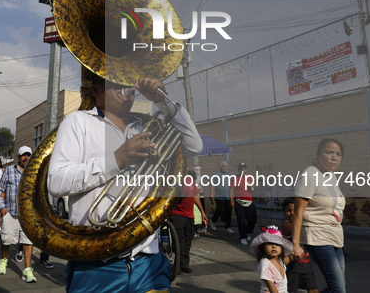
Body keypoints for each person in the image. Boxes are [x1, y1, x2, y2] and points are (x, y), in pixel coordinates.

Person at [48, 76, 203, 293]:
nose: (126, 88)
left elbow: (195, 145)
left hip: (148, 261)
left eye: (128, 81)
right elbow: (55, 182)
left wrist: (163, 101)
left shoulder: (146, 125)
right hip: (96, 264)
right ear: (95, 89)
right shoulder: (77, 122)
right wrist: (117, 159)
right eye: (115, 82)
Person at [292, 139, 346, 293]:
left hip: (335, 236)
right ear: (318, 153)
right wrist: (295, 245)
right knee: (338, 289)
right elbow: (298, 212)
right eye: (329, 152)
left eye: (338, 154)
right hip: (317, 235)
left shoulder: (331, 176)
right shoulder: (310, 175)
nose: (334, 157)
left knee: (337, 287)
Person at [0, 146, 41, 282]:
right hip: (11, 211)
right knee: (6, 239)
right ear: (18, 157)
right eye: (23, 155)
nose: (26, 158)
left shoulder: (35, 171)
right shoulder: (9, 170)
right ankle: (3, 260)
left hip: (28, 214)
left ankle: (27, 270)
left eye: (28, 155)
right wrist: (2, 207)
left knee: (28, 241)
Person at [169, 170, 208, 274]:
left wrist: (202, 212)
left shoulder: (190, 180)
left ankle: (184, 264)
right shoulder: (172, 179)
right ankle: (178, 266)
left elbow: (195, 196)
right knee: (179, 241)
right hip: (177, 214)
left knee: (188, 240)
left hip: (189, 215)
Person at [281, 198, 319, 293]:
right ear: (284, 211)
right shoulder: (286, 224)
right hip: (292, 267)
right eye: (289, 210)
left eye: (295, 210)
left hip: (306, 265)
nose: (292, 213)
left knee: (314, 290)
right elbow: (300, 232)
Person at [250, 225, 293, 293]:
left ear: (282, 248)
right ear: (263, 247)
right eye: (270, 243)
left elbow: (284, 263)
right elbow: (269, 283)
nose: (274, 246)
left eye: (277, 244)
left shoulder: (279, 260)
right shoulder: (265, 263)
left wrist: (293, 255)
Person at [229, 162, 257, 245]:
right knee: (241, 220)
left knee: (253, 218)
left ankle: (248, 232)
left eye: (244, 169)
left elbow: (255, 188)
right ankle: (243, 237)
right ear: (238, 170)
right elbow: (231, 190)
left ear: (246, 170)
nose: (243, 170)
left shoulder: (250, 178)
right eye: (241, 169)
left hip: (249, 201)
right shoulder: (234, 178)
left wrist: (253, 186)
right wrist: (231, 201)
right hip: (239, 201)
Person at [209, 161, 234, 234]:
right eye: (223, 166)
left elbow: (231, 187)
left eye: (225, 166)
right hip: (219, 197)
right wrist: (211, 194)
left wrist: (231, 198)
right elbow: (212, 184)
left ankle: (228, 227)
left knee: (228, 213)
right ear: (220, 167)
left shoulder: (229, 176)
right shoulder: (216, 174)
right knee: (220, 210)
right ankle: (213, 221)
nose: (224, 167)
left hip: (227, 197)